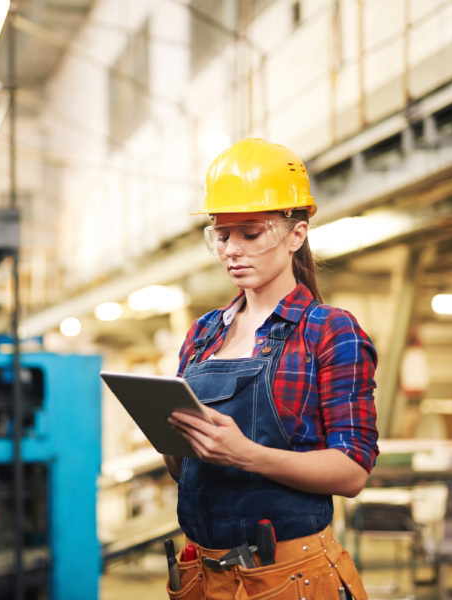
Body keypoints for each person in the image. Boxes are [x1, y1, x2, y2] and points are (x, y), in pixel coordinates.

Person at [162, 139, 379, 600]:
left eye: (251, 234)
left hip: (290, 578)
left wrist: (245, 454)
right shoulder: (203, 334)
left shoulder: (327, 331)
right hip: (203, 574)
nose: (231, 251)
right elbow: (186, 473)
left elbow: (352, 471)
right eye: (221, 235)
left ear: (296, 234)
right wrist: (172, 440)